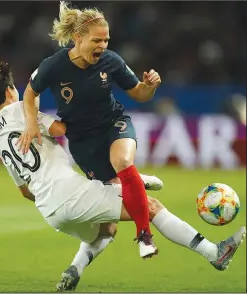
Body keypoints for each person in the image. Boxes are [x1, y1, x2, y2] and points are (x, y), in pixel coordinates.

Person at [0, 59, 245, 292]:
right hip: (68, 194)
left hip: (49, 210)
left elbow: (24, 191)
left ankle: (74, 269)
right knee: (149, 206)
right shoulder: (23, 111)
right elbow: (58, 129)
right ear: (11, 91)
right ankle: (215, 253)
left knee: (108, 228)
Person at [17, 1, 163, 253]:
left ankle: (144, 236)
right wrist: (31, 124)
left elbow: (138, 93)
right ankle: (134, 181)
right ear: (78, 38)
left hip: (113, 123)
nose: (103, 46)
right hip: (83, 141)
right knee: (110, 207)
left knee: (123, 163)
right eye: (97, 41)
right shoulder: (54, 65)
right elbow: (29, 93)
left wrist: (149, 86)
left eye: (106, 40)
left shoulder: (111, 61)